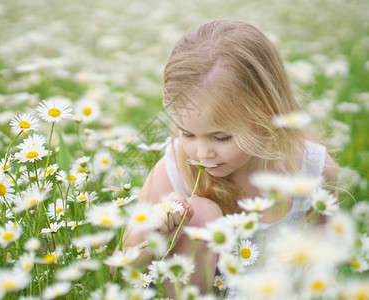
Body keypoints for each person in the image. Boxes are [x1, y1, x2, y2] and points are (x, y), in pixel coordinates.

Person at [121, 19, 339, 296]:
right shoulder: (174, 170)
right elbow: (121, 269)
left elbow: (326, 238)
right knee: (198, 213)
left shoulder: (311, 169)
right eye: (187, 134)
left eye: (221, 137)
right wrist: (152, 235)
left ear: (268, 114)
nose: (201, 153)